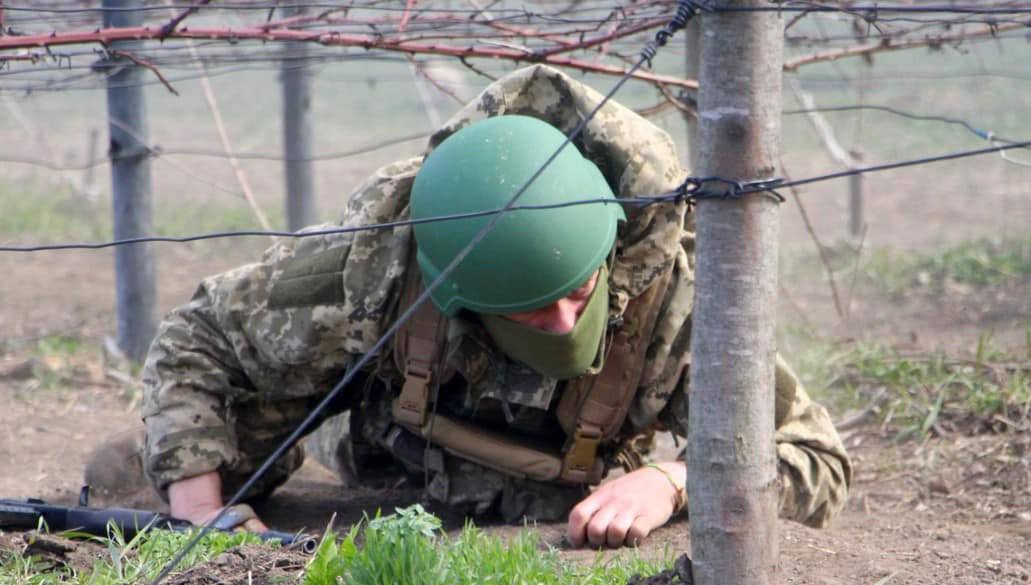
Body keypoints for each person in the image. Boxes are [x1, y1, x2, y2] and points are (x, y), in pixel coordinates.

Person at [127, 65, 850, 548]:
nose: (564, 324)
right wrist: (198, 506)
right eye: (531, 310)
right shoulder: (371, 269)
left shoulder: (674, 300)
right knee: (213, 442)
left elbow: (815, 458)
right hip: (382, 446)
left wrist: (672, 481)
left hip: (575, 470)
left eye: (576, 294)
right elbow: (197, 336)